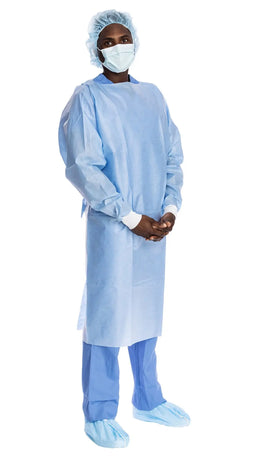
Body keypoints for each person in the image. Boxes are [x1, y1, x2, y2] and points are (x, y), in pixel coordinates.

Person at [58, 10, 189, 448]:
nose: (118, 47)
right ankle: (98, 412)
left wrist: (169, 208)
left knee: (146, 311)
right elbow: (84, 166)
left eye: (124, 38)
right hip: (115, 230)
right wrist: (130, 217)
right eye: (109, 41)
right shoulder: (88, 99)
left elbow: (172, 156)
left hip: (154, 228)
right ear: (96, 50)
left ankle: (148, 400)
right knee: (108, 317)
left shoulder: (153, 97)